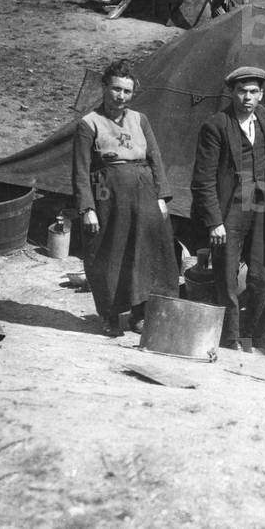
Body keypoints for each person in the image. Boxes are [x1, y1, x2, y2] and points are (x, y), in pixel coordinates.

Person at [72, 59, 178, 337]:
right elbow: (81, 171)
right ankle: (109, 315)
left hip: (143, 194)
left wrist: (161, 197)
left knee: (145, 251)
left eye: (127, 92)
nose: (120, 96)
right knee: (109, 252)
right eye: (116, 89)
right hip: (107, 196)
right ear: (104, 87)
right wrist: (87, 208)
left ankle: (140, 314)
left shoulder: (139, 119)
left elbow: (155, 159)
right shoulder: (88, 124)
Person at [190, 66, 265, 351]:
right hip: (230, 206)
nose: (247, 97)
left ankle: (249, 332)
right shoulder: (216, 125)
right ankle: (229, 338)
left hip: (260, 203)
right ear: (231, 93)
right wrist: (214, 221)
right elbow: (203, 178)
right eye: (242, 91)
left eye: (254, 92)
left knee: (260, 276)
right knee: (227, 276)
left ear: (261, 95)